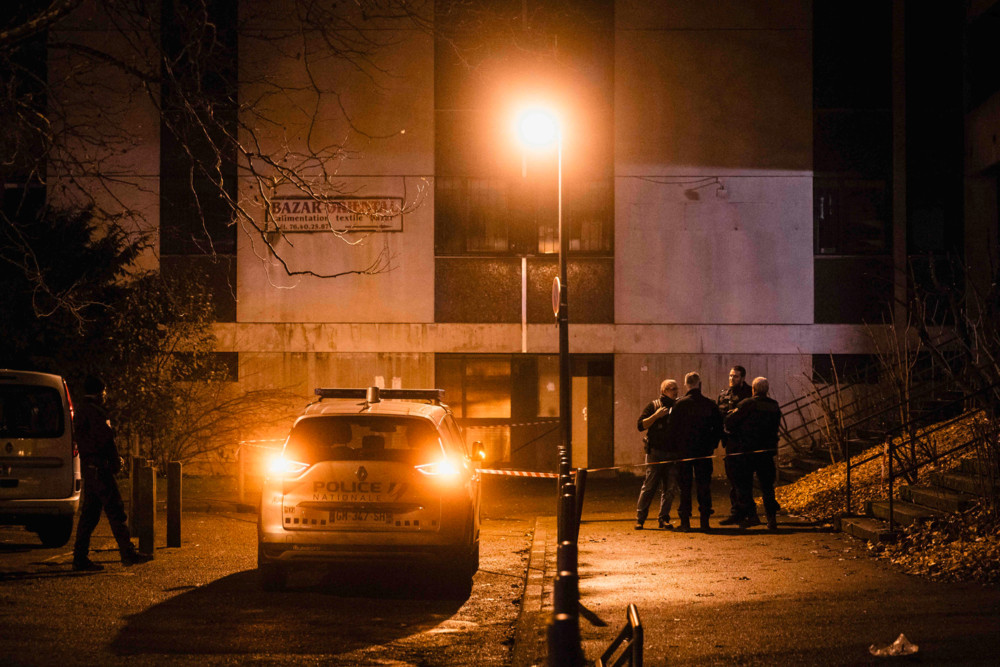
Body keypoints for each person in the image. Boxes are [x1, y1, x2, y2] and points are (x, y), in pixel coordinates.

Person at [72, 375, 151, 571]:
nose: (106, 396)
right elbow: (107, 441)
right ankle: (127, 553)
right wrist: (115, 462)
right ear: (100, 393)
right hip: (101, 468)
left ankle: (79, 558)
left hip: (88, 468)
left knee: (89, 515)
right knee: (116, 510)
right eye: (104, 392)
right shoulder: (98, 413)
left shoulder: (80, 412)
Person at [665, 372, 722, 532]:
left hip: (684, 453)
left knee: (685, 486)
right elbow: (718, 428)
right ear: (699, 384)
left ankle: (685, 522)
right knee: (704, 485)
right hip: (703, 452)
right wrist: (712, 445)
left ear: (686, 384)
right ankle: (705, 521)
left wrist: (674, 450)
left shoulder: (679, 405)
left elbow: (672, 430)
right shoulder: (709, 404)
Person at [724, 377, 783, 530]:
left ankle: (752, 516)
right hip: (767, 451)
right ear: (767, 390)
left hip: (747, 451)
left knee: (745, 485)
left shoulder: (747, 404)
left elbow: (729, 421)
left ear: (753, 390)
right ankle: (771, 519)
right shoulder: (774, 405)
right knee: (767, 486)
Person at [634, 379, 680, 530]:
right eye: (672, 389)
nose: (675, 391)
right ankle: (640, 519)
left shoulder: (678, 406)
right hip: (655, 452)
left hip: (672, 453)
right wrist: (655, 416)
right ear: (663, 391)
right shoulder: (654, 406)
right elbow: (640, 425)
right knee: (649, 486)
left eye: (676, 388)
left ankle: (664, 518)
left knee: (670, 488)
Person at [717, 365, 754, 526]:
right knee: (733, 480)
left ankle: (747, 514)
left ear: (743, 378)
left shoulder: (750, 394)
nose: (732, 379)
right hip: (730, 443)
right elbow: (720, 417)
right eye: (731, 376)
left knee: (744, 481)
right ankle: (738, 513)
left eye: (736, 376)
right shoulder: (725, 394)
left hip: (745, 443)